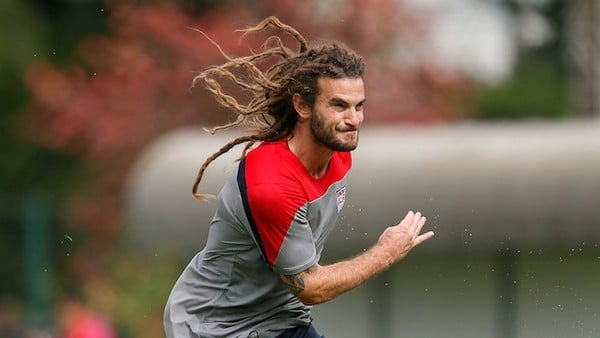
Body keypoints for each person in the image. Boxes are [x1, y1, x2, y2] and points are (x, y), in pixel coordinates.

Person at [164, 16, 434, 338]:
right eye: (339, 106)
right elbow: (311, 288)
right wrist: (384, 253)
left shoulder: (339, 155)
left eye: (359, 106)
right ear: (302, 107)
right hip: (216, 327)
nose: (353, 120)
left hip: (281, 318)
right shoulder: (272, 185)